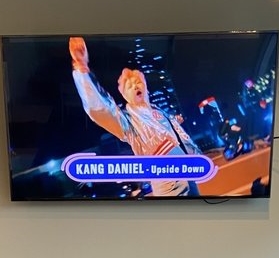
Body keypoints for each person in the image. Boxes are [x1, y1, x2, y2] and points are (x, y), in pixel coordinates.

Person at [69, 36, 201, 197]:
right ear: (125, 96)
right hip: (168, 183)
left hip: (187, 173)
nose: (135, 86)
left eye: (138, 82)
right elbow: (101, 109)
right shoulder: (130, 121)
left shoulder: (159, 111)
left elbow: (176, 134)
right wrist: (82, 68)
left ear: (145, 86)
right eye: (130, 86)